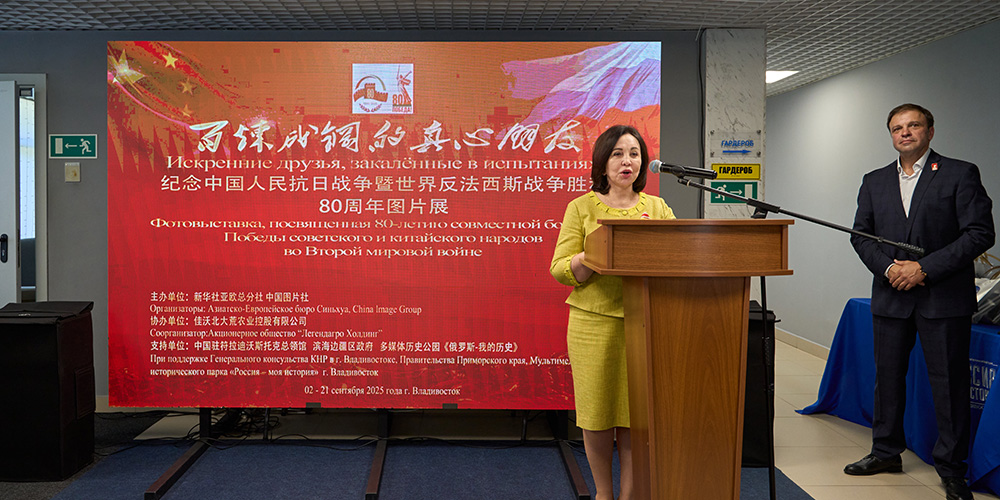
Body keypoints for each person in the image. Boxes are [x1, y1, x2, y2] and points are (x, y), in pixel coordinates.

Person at [847, 103, 995, 500]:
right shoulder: (874, 181)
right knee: (887, 380)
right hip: (891, 295)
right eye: (898, 128)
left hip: (943, 299)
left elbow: (980, 233)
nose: (905, 133)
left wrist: (923, 269)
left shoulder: (960, 174)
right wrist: (889, 269)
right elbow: (861, 235)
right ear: (891, 135)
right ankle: (885, 452)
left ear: (930, 131)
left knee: (948, 384)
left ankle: (952, 469)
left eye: (914, 125)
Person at [550, 124, 675, 500]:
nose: (627, 161)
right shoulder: (581, 207)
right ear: (602, 162)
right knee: (597, 414)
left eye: (634, 154)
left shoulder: (657, 208)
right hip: (593, 324)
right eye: (618, 153)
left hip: (644, 323)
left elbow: (677, 256)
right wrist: (589, 256)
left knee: (635, 418)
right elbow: (559, 269)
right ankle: (604, 493)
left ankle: (629, 495)